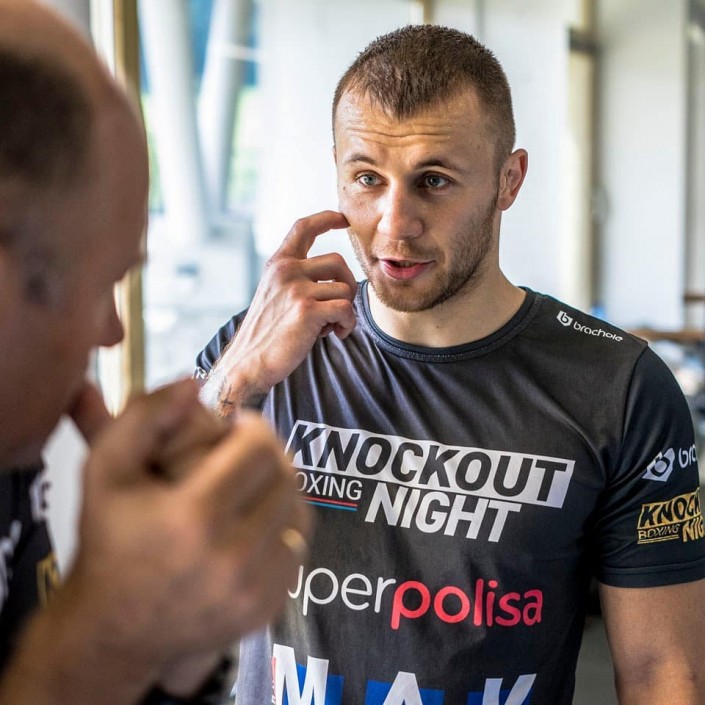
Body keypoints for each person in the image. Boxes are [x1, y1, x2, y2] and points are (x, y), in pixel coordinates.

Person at [197, 24, 705, 705]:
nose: (393, 223)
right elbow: (147, 573)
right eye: (366, 179)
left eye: (433, 181)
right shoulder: (261, 349)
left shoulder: (618, 389)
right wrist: (233, 380)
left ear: (508, 180)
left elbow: (662, 672)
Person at [0, 1, 310, 703]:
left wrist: (174, 645)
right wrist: (109, 635)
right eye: (102, 284)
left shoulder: (11, 458)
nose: (112, 332)